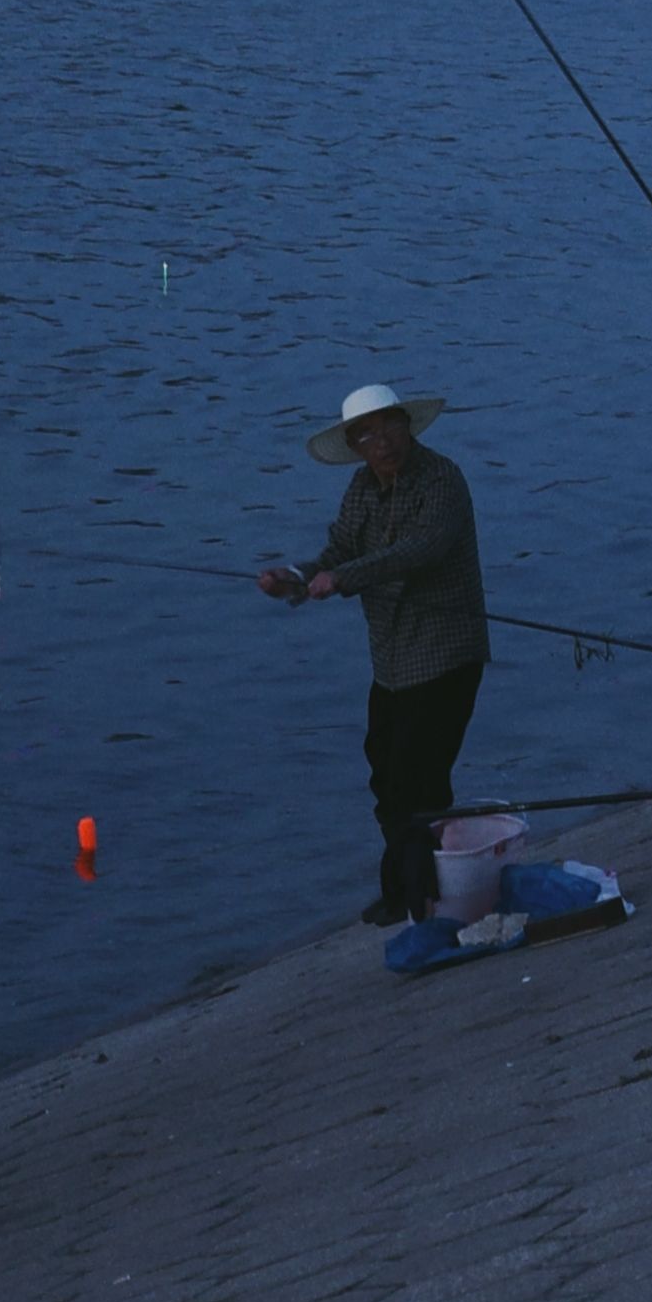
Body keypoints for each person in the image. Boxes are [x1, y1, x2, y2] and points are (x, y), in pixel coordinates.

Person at [259, 379, 488, 924]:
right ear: (354, 446)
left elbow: (420, 550)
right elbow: (339, 550)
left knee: (419, 780)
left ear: (407, 426)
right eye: (366, 434)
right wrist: (295, 577)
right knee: (385, 775)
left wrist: (344, 578)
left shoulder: (442, 479)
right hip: (391, 661)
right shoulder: (362, 488)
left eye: (389, 427)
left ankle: (422, 896)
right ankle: (409, 888)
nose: (381, 441)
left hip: (446, 654)